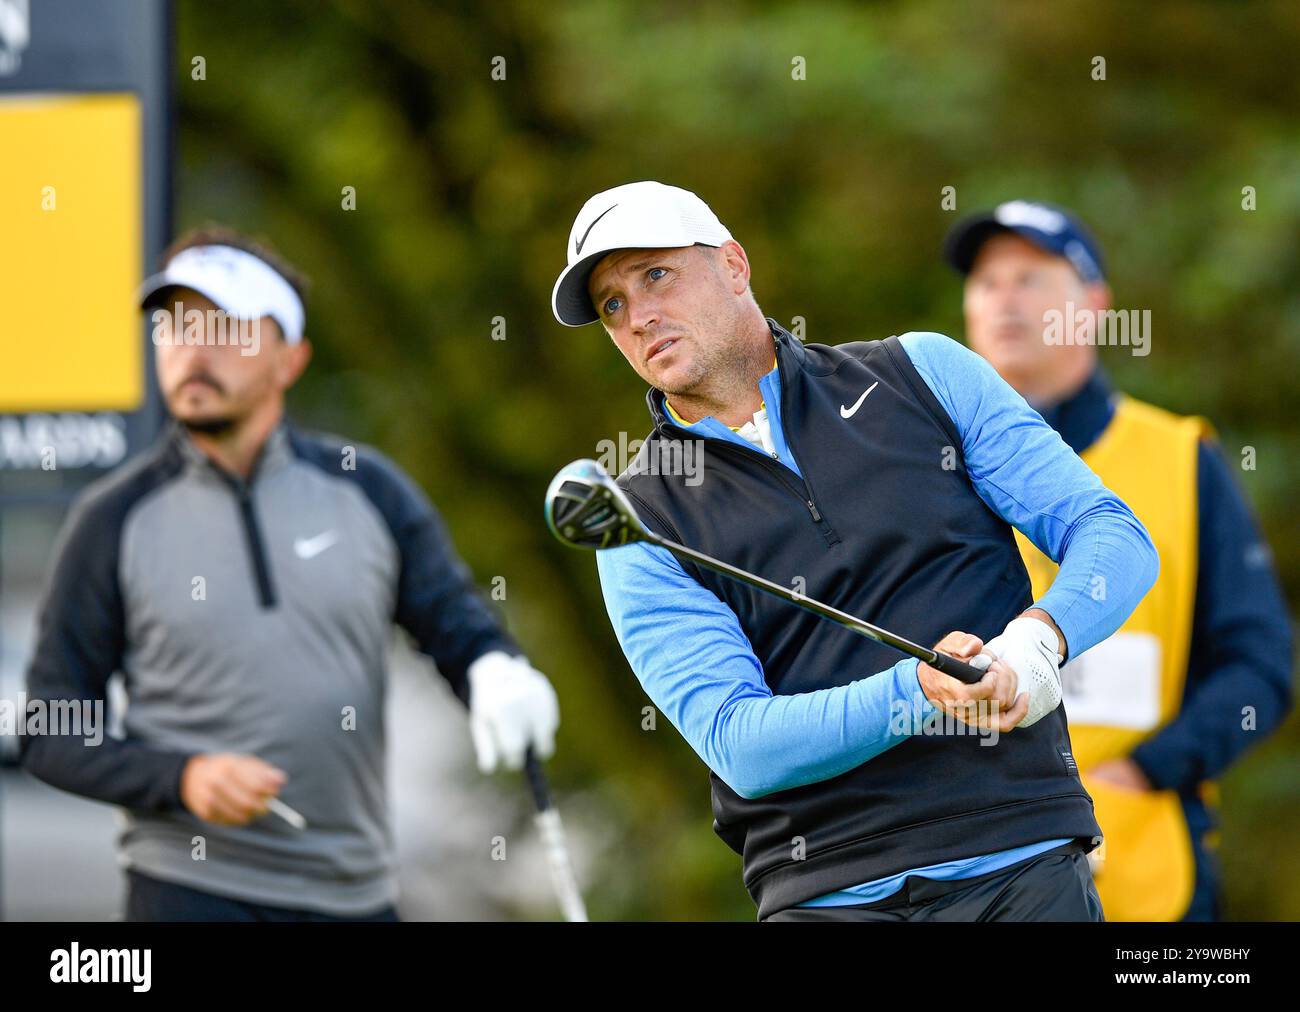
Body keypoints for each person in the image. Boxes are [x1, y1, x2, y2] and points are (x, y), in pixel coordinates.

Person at [550, 180, 1159, 921]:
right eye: (613, 305)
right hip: (829, 895)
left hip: (1019, 859)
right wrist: (916, 694)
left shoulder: (922, 376)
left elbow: (1110, 534)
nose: (640, 316)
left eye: (656, 275)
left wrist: (1037, 643)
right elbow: (741, 741)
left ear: (735, 266)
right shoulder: (639, 519)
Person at [21, 226, 560, 922]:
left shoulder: (367, 490)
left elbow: (453, 622)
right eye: (176, 327)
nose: (193, 350)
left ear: (290, 358)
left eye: (226, 328)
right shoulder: (113, 519)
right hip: (188, 887)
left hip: (354, 893)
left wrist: (496, 668)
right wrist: (179, 777)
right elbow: (49, 724)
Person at [945, 200, 1294, 920]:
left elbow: (1260, 663)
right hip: (966, 863)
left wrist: (1147, 771)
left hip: (1149, 869)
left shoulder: (1182, 457)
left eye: (1031, 277)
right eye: (986, 282)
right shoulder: (928, 466)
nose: (1003, 298)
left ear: (1094, 305)